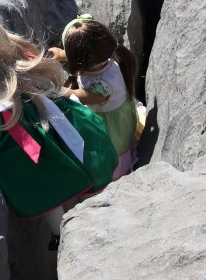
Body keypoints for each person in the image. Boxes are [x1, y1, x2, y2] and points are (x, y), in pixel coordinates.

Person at [0, 0, 119, 248]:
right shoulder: (10, 51)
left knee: (46, 190)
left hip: (19, 136)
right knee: (66, 160)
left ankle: (60, 232)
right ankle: (74, 220)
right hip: (38, 113)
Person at [48, 15, 144, 180]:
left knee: (115, 152)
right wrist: (63, 54)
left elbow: (81, 96)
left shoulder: (101, 88)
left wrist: (55, 88)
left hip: (110, 126)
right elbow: (89, 54)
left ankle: (117, 173)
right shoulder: (107, 57)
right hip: (115, 112)